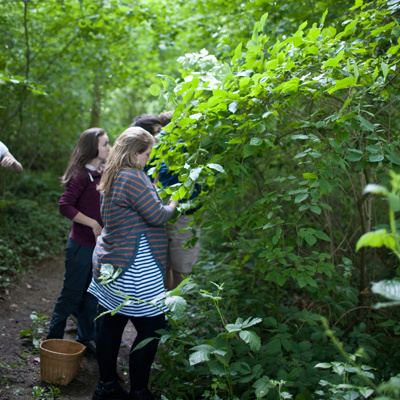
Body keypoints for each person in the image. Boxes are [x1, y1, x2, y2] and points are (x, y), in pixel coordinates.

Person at [88, 127, 179, 400]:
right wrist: (173, 203)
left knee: (111, 325)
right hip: (134, 265)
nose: (148, 159)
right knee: (152, 327)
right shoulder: (134, 177)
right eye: (146, 154)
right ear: (134, 152)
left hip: (112, 260)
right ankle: (139, 392)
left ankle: (107, 387)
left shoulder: (112, 173)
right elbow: (157, 215)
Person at [47, 128, 111, 357]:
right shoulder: (81, 174)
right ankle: (52, 342)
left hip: (98, 249)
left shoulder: (103, 172)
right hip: (80, 247)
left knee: (91, 297)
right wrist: (93, 224)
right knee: (71, 295)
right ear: (93, 148)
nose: (108, 148)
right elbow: (65, 205)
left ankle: (85, 341)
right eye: (105, 144)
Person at [157, 111, 201, 290]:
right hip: (173, 213)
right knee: (175, 265)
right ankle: (168, 311)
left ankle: (171, 310)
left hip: (177, 213)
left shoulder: (189, 146)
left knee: (174, 264)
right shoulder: (175, 147)